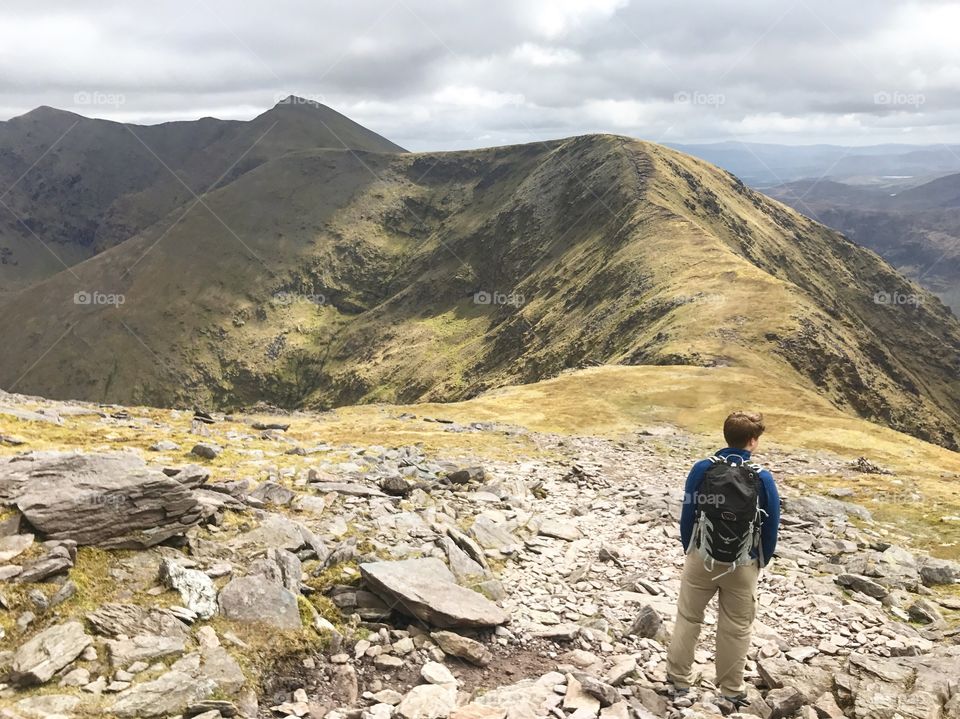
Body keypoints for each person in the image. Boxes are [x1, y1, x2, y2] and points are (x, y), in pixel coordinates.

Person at [665, 411, 780, 705]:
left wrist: (689, 547)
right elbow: (771, 526)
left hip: (701, 557)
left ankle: (679, 681)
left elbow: (688, 513)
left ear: (726, 435)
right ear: (752, 441)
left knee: (689, 618)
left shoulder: (702, 468)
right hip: (743, 564)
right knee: (736, 627)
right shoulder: (762, 478)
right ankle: (731, 689)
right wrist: (759, 560)